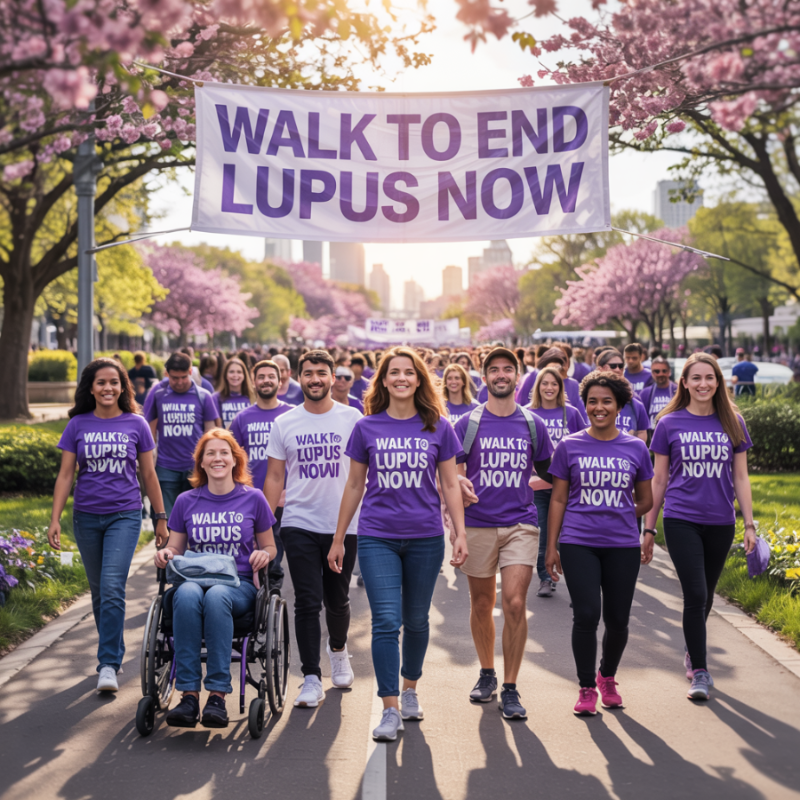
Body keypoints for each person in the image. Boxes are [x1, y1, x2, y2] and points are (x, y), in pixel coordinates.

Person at [329, 346, 468, 741]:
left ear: (419, 379)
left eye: (409, 372)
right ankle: (389, 708)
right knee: (387, 621)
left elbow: (450, 484)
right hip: (378, 537)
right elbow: (354, 485)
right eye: (394, 372)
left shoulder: (439, 426)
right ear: (384, 380)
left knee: (417, 620)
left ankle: (410, 690)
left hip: (426, 537)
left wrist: (459, 532)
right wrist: (339, 538)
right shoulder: (366, 427)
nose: (402, 378)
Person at [48, 358, 168, 693]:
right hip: (86, 517)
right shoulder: (77, 425)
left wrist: (160, 518)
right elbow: (66, 475)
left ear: (122, 386)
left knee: (113, 586)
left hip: (124, 516)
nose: (107, 388)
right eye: (101, 382)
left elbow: (149, 475)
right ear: (90, 387)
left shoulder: (136, 423)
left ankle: (108, 664)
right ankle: (112, 651)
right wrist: (55, 519)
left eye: (114, 382)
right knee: (100, 591)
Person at [645, 353, 756, 701]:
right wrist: (648, 529)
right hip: (681, 518)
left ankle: (692, 650)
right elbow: (659, 479)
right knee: (695, 594)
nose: (703, 384)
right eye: (696, 378)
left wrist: (749, 524)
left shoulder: (733, 422)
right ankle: (701, 671)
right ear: (684, 383)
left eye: (709, 377)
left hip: (721, 521)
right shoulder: (668, 423)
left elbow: (741, 476)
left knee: (705, 595)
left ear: (718, 382)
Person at [545, 371, 654, 716]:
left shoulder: (636, 448)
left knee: (618, 619)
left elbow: (646, 500)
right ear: (585, 405)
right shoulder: (569, 445)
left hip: (622, 544)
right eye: (592, 401)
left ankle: (607, 676)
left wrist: (617, 511)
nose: (599, 407)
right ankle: (586, 687)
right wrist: (551, 546)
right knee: (587, 614)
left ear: (620, 406)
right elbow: (558, 499)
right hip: (578, 542)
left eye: (607, 401)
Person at [453, 348, 553, 720]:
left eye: (507, 369)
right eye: (493, 369)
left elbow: (552, 473)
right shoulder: (467, 424)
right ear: (483, 377)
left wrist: (527, 485)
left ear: (518, 376)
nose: (501, 375)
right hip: (477, 523)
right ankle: (487, 673)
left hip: (520, 525)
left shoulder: (532, 424)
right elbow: (450, 475)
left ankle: (510, 687)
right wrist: (459, 495)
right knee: (482, 604)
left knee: (513, 603)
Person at [154, 429, 277, 728]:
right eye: (210, 453)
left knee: (217, 595)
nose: (217, 458)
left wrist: (264, 555)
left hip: (238, 585)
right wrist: (166, 553)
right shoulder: (186, 500)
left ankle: (217, 696)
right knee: (186, 593)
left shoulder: (254, 498)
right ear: (201, 462)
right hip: (195, 580)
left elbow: (270, 546)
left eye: (224, 453)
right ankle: (189, 695)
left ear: (235, 460)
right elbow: (176, 547)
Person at [265, 350, 362, 708]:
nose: (315, 379)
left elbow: (362, 473)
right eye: (308, 373)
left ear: (333, 377)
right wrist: (264, 526)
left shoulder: (352, 418)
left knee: (337, 600)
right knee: (306, 600)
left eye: (322, 373)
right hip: (299, 523)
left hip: (344, 525)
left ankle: (338, 649)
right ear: (298, 378)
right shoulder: (285, 423)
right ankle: (310, 677)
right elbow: (275, 476)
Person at [230, 359, 292, 590]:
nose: (266, 381)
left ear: (280, 381)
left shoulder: (292, 415)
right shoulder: (241, 419)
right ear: (254, 383)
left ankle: (275, 592)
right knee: (260, 552)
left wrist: (292, 489)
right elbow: (233, 462)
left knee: (287, 553)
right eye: (261, 377)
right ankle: (265, 592)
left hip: (287, 498)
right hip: (252, 498)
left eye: (271, 376)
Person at [528, 366, 587, 598]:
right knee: (543, 535)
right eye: (545, 383)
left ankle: (576, 582)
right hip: (537, 488)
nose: (549, 387)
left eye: (554, 383)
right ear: (538, 387)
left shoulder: (571, 413)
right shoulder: (527, 413)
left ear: (560, 387)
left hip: (568, 488)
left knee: (569, 537)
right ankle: (545, 578)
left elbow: (585, 443)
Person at [145, 352, 220, 519]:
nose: (179, 382)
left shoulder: (203, 396)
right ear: (167, 374)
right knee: (165, 516)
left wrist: (208, 463)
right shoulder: (158, 393)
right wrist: (149, 458)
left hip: (195, 467)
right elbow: (148, 428)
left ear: (190, 372)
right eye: (174, 378)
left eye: (183, 377)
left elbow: (210, 433)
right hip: (165, 467)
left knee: (194, 517)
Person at [595, 349, 650, 441]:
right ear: (600, 369)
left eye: (620, 366)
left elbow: (641, 433)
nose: (617, 370)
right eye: (613, 366)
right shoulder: (589, 402)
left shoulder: (635, 402)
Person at [213, 357, 255, 428]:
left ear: (244, 375)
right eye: (231, 372)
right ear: (225, 375)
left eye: (239, 372)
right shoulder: (216, 398)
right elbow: (216, 426)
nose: (235, 375)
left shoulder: (253, 397)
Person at [639, 356, 677, 428]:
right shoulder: (645, 394)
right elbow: (641, 420)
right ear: (652, 373)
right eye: (657, 371)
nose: (660, 374)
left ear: (669, 372)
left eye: (664, 371)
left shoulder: (678, 391)